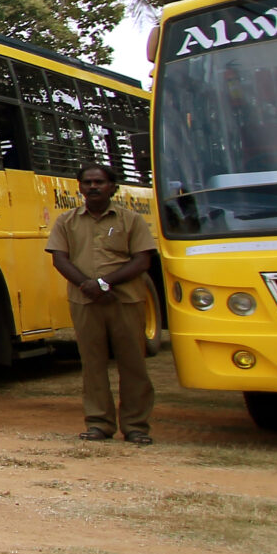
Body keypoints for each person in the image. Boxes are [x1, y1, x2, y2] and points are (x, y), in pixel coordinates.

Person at [47, 163, 161, 445]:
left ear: (112, 187)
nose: (93, 187)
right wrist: (88, 286)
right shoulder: (66, 221)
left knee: (132, 363)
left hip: (125, 300)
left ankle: (136, 426)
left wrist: (104, 283)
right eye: (87, 182)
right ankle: (98, 423)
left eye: (99, 182)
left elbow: (142, 261)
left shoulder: (131, 220)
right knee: (92, 364)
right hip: (84, 302)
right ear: (80, 187)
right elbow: (60, 259)